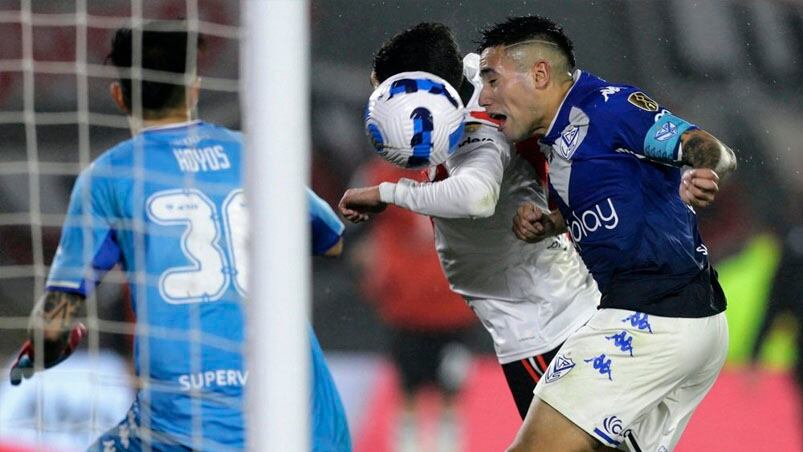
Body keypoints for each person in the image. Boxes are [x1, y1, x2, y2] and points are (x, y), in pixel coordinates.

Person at [7, 21, 351, 451]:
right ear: (194, 89)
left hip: (187, 420)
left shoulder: (109, 177)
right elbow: (332, 240)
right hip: (301, 408)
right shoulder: (252, 153)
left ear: (118, 97)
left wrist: (47, 346)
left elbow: (56, 317)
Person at [476, 15, 737, 452]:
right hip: (693, 321)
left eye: (492, 79)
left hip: (651, 319)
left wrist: (702, 169)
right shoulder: (559, 138)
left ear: (540, 73)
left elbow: (706, 146)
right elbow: (615, 196)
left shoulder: (609, 107)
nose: (484, 98)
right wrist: (552, 222)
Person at [339, 22, 600, 420]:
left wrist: (388, 193)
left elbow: (477, 196)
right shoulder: (470, 83)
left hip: (538, 322)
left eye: (391, 93)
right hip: (539, 310)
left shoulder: (481, 133)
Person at [352, 159, 476, 451]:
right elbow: (355, 232)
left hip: (452, 309)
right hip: (407, 310)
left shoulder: (464, 170)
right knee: (408, 390)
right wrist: (376, 273)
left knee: (451, 390)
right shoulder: (379, 176)